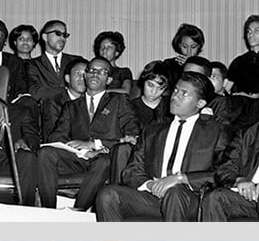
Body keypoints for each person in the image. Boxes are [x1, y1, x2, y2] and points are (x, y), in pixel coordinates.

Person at [95, 71, 230, 221]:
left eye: (184, 94)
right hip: (153, 197)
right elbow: (132, 170)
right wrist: (150, 185)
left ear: (200, 103)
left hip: (191, 200)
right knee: (108, 194)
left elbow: (223, 173)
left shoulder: (215, 131)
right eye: (176, 90)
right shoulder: (154, 129)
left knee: (175, 193)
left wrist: (180, 179)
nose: (175, 97)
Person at [36, 57, 140, 212]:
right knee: (46, 152)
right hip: (79, 157)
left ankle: (78, 211)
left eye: (102, 71)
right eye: (91, 70)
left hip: (107, 157)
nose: (95, 74)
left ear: (109, 79)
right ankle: (49, 211)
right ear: (85, 75)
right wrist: (85, 152)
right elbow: (56, 138)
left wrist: (96, 144)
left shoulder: (119, 101)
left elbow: (133, 136)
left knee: (103, 161)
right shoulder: (71, 106)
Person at [201, 72, 259, 221]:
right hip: (251, 196)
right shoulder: (248, 132)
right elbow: (225, 167)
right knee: (215, 197)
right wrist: (240, 180)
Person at [226, 14, 259, 129]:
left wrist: (254, 96)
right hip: (240, 109)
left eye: (256, 31)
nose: (251, 35)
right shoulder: (239, 61)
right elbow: (227, 88)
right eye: (249, 31)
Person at [26, 19, 86, 100]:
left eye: (64, 35)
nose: (62, 38)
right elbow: (35, 92)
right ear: (45, 37)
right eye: (58, 34)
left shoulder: (77, 61)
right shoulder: (32, 64)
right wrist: (67, 90)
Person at [40, 58, 87, 142]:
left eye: (85, 74)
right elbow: (53, 136)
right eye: (77, 73)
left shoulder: (92, 101)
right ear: (67, 78)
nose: (82, 78)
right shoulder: (53, 102)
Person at [163, 22, 205, 88]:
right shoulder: (169, 64)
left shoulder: (203, 65)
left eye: (193, 47)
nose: (189, 51)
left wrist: (190, 64)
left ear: (199, 46)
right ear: (179, 45)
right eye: (185, 46)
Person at [130, 61, 171, 128]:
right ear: (143, 81)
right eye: (150, 85)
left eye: (160, 88)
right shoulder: (131, 107)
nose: (154, 92)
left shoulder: (170, 106)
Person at [93, 30, 133, 95]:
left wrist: (101, 92)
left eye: (109, 47)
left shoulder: (124, 72)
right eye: (102, 47)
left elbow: (126, 91)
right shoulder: (92, 70)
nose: (104, 50)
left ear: (117, 52)